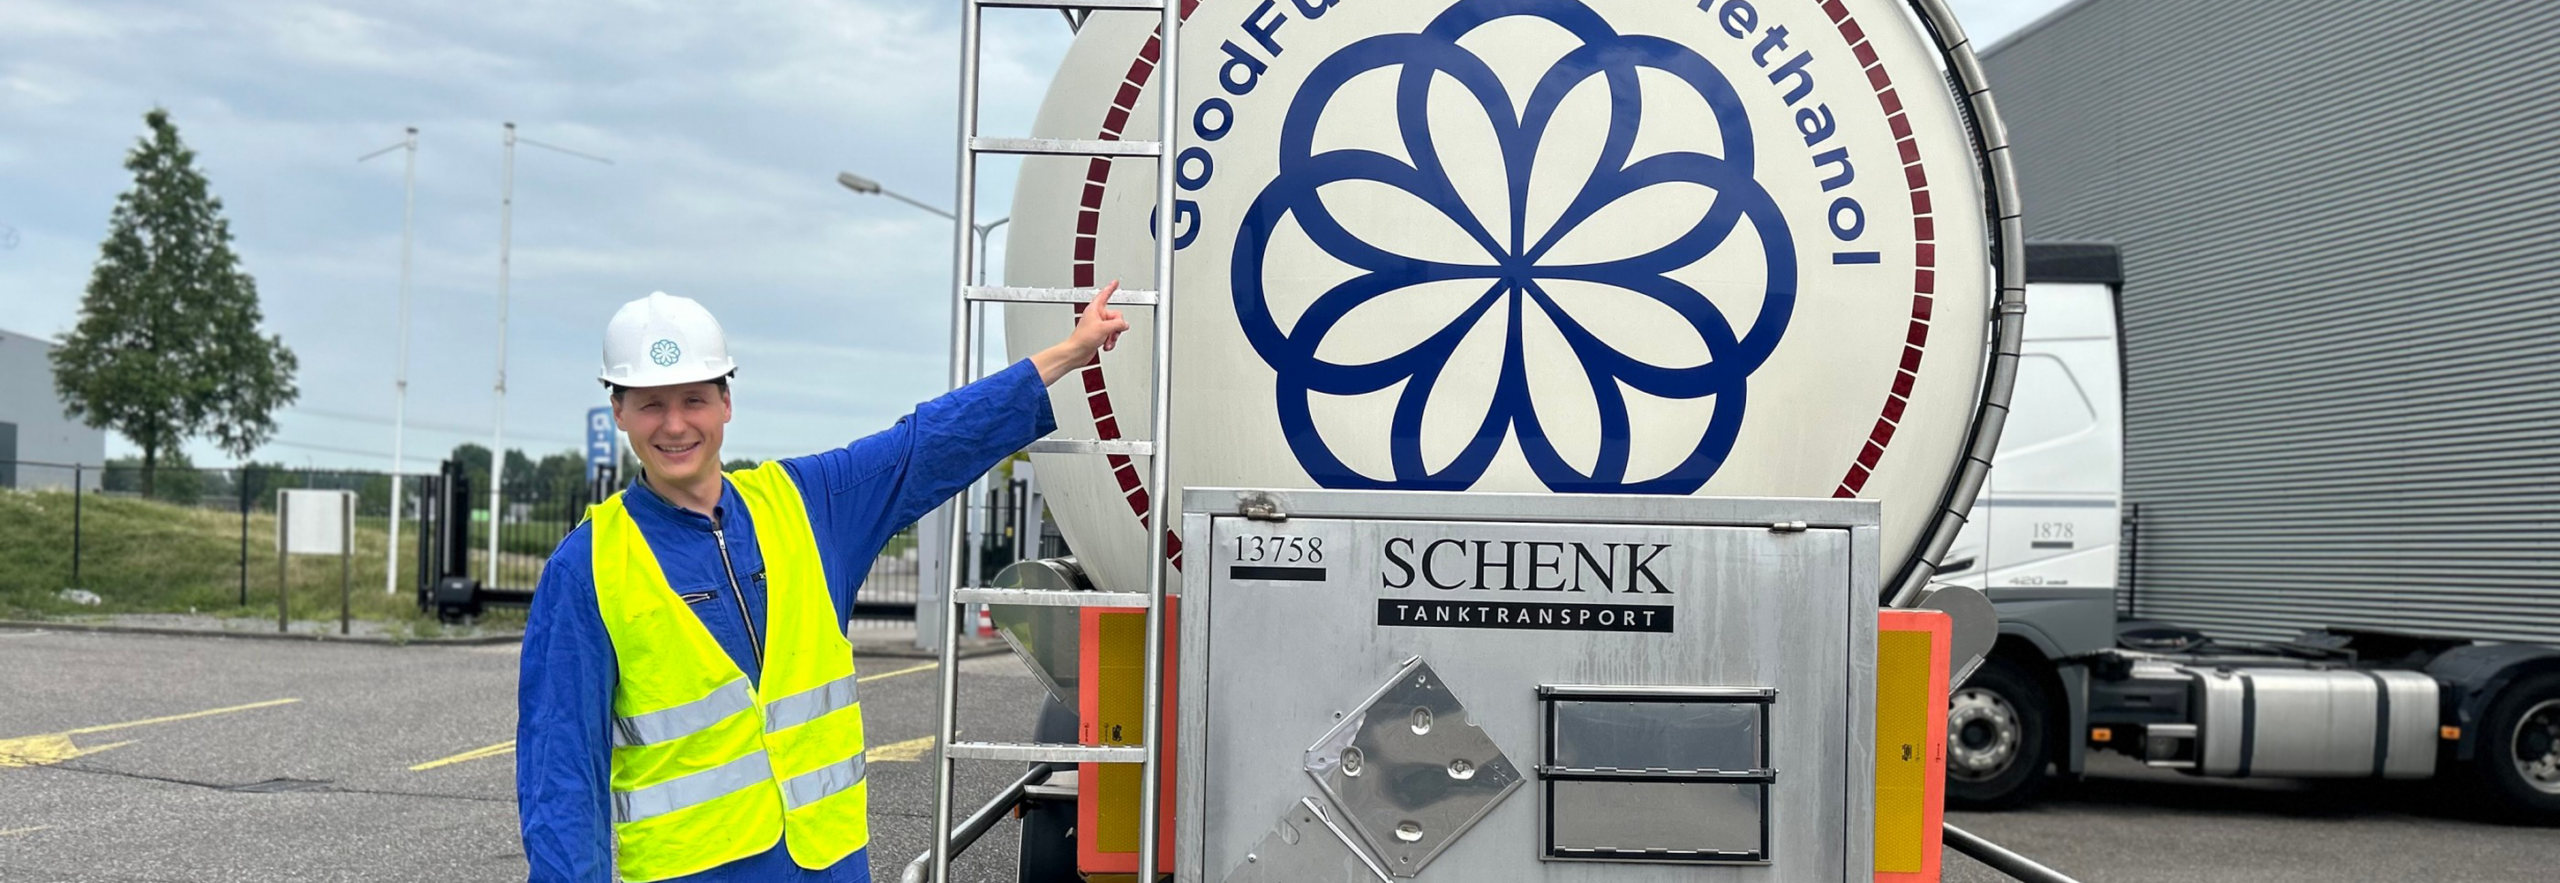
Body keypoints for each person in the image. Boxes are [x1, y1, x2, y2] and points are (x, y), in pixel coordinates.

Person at [518, 284, 1127, 883]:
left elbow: (922, 445)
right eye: (651, 404)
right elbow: (560, 771)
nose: (675, 425)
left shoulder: (806, 505)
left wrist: (1067, 353)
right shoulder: (587, 567)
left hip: (829, 863)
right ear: (619, 411)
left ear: (726, 402)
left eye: (694, 399)